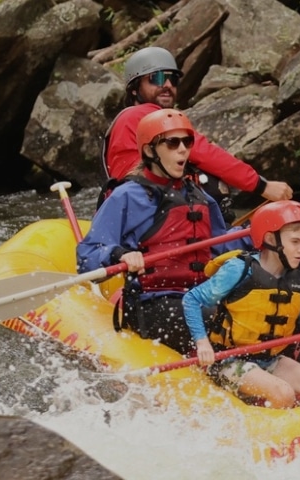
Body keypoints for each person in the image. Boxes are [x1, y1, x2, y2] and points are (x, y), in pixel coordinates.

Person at [78, 109, 238, 355]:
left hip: (199, 296)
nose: (183, 149)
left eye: (187, 141)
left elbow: (220, 247)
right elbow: (87, 257)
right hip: (153, 304)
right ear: (150, 150)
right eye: (173, 143)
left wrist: (255, 236)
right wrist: (119, 254)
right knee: (225, 324)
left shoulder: (199, 196)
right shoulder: (126, 196)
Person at [181, 201, 300, 408]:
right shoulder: (239, 270)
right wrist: (202, 342)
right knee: (283, 393)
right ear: (270, 238)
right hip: (229, 360)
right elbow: (192, 299)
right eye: (295, 241)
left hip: (271, 359)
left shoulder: (298, 281)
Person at [101, 46, 293, 214]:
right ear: (134, 89)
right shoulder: (143, 116)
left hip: (144, 204)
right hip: (145, 208)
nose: (167, 85)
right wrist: (262, 186)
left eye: (172, 79)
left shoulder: (132, 118)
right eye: (157, 78)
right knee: (210, 182)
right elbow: (205, 154)